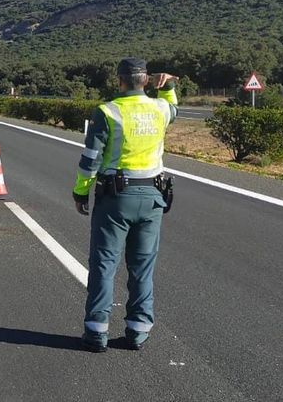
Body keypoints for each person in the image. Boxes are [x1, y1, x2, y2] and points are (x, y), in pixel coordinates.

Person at [72, 57, 178, 353]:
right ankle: (138, 332)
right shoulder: (159, 108)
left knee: (104, 265)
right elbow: (174, 109)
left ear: (119, 81)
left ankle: (96, 331)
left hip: (115, 199)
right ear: (145, 81)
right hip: (153, 198)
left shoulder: (108, 112)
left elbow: (91, 159)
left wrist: (81, 192)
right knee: (142, 268)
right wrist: (167, 85)